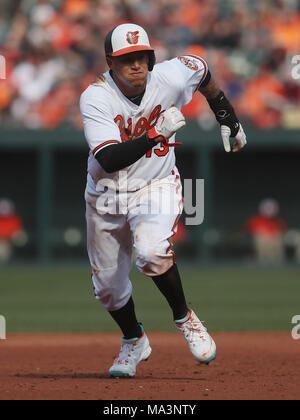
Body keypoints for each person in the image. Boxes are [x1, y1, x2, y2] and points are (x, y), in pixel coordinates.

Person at [80, 23, 246, 378]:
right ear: (110, 62)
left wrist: (226, 115)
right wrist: (157, 132)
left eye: (142, 56)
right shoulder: (96, 96)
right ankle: (133, 340)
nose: (136, 64)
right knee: (108, 290)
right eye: (127, 59)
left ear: (151, 57)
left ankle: (185, 318)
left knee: (152, 252)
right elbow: (109, 158)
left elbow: (201, 70)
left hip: (155, 186)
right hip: (106, 195)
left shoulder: (168, 76)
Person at [245, 198, 287, 264]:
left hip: (274, 242)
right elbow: (252, 232)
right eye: (267, 208)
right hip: (262, 242)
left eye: (271, 208)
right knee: (261, 241)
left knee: (277, 241)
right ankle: (262, 263)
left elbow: (281, 233)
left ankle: (278, 263)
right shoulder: (255, 220)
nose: (269, 210)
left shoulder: (279, 221)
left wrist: (273, 237)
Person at [0, 198, 23, 263]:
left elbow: (17, 232)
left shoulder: (14, 219)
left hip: (9, 242)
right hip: (2, 242)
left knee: (20, 237)